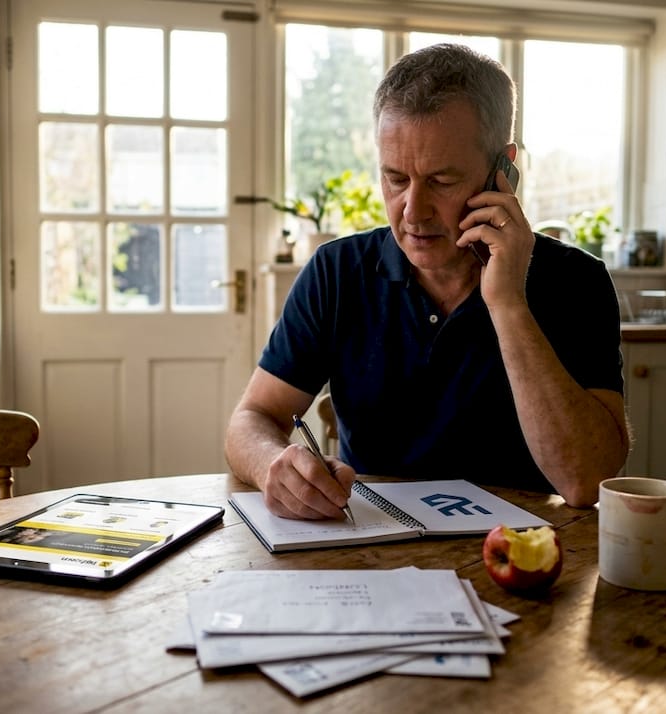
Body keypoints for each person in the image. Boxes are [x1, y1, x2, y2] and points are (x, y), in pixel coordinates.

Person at [225, 43, 629, 519]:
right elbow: (252, 418)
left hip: (525, 550)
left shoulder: (575, 281)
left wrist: (508, 304)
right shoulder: (337, 271)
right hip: (372, 543)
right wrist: (273, 464)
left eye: (441, 181)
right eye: (396, 179)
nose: (413, 212)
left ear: (503, 171)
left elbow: (585, 480)